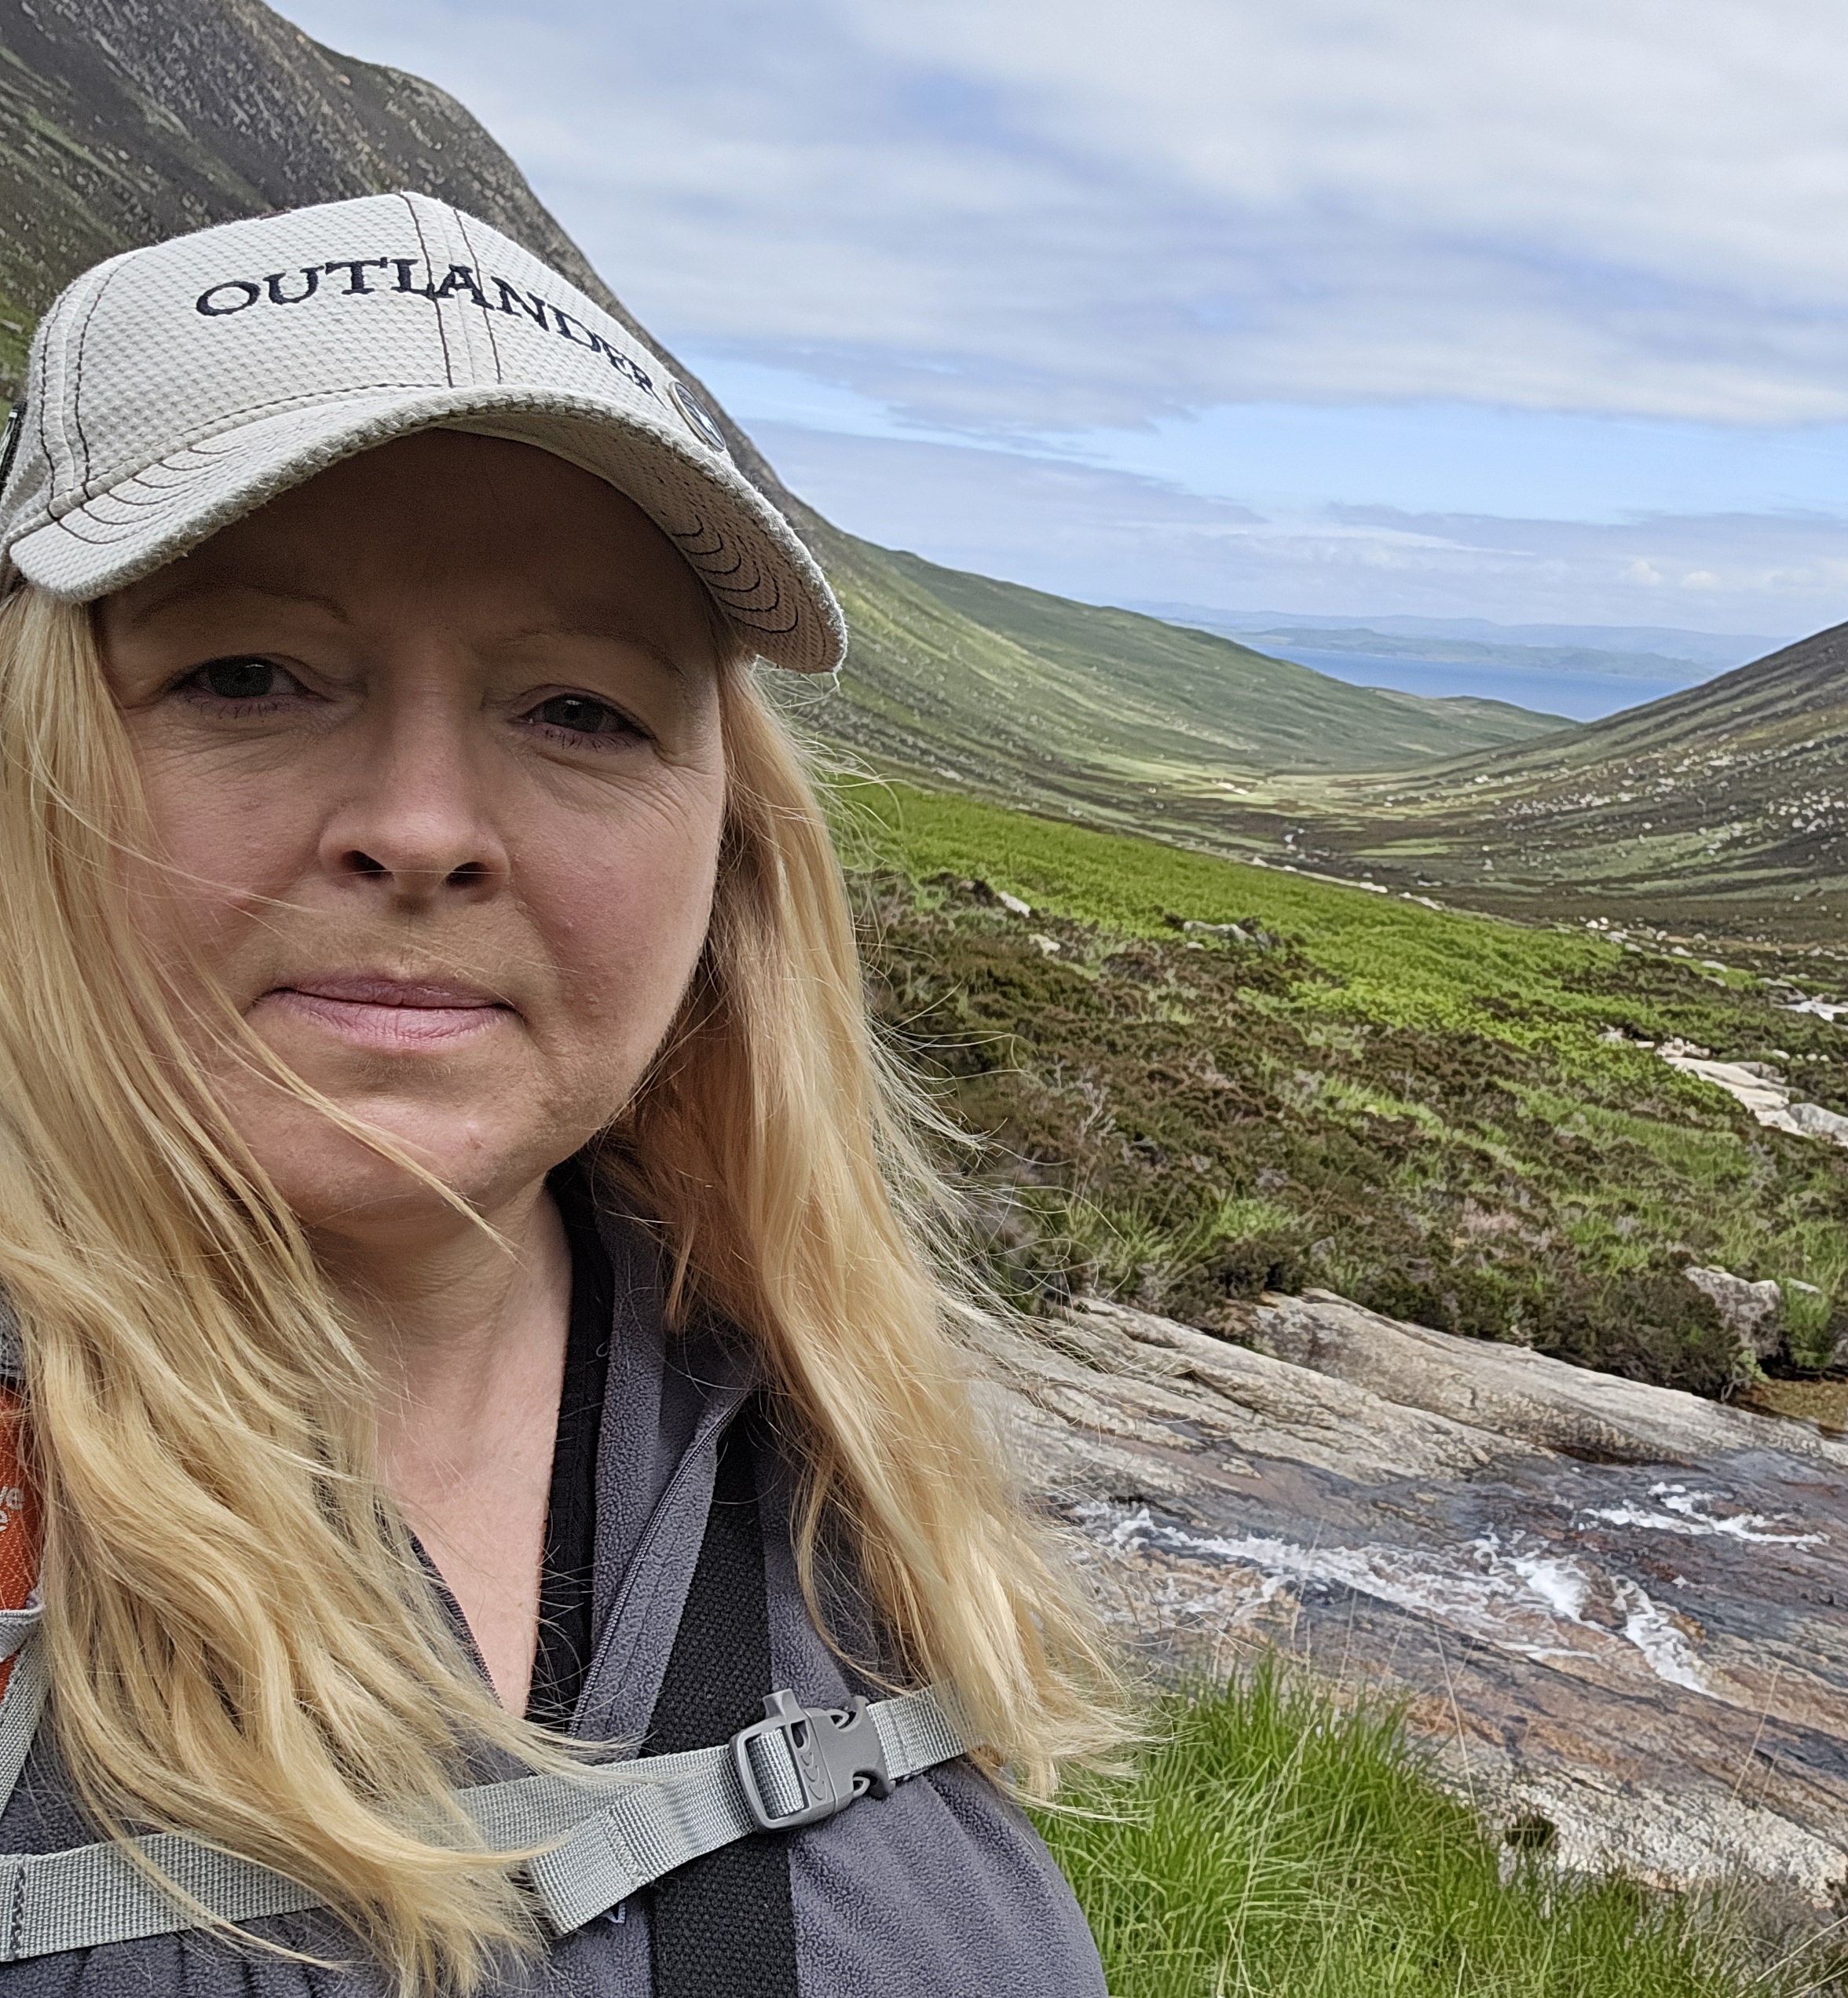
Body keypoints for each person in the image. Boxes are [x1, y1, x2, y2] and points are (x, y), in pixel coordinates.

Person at [0, 192, 1121, 1994]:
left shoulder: (850, 1463)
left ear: (729, 858)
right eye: (244, 674)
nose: (424, 827)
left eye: (582, 710)